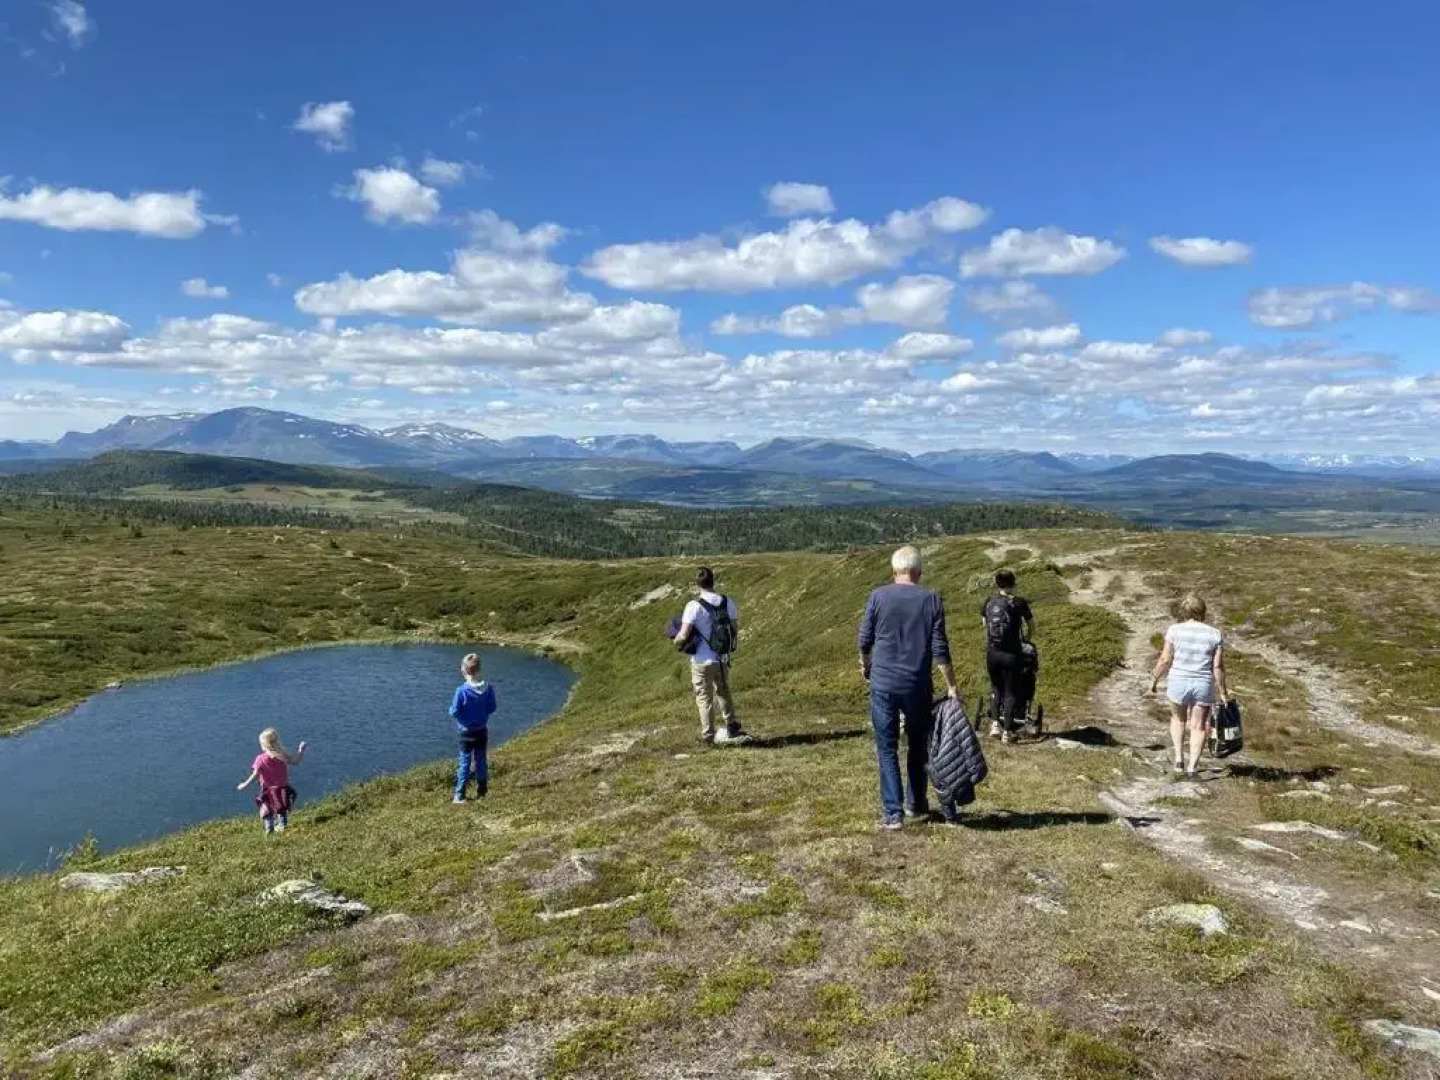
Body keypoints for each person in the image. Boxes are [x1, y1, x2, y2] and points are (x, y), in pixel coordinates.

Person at [858, 545, 960, 830]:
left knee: (887, 747)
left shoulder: (878, 596)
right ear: (919, 572)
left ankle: (893, 814)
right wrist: (951, 686)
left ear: (894, 571)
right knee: (918, 746)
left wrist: (865, 665)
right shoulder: (931, 599)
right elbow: (940, 648)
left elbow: (865, 639)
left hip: (883, 682)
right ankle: (916, 804)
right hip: (917, 685)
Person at [1150, 594, 1228, 778]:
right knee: (1199, 726)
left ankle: (1178, 761)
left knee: (1178, 719)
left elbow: (1165, 659)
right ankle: (1193, 768)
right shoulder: (1214, 633)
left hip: (1178, 681)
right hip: (1203, 683)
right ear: (1203, 611)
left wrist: (1154, 679)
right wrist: (1223, 692)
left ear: (1183, 612)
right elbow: (1217, 667)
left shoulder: (1174, 630)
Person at [674, 567, 746, 745]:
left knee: (704, 697)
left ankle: (708, 736)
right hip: (721, 657)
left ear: (697, 584)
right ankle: (732, 725)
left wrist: (676, 642)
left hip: (701, 660)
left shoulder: (693, 606)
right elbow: (735, 629)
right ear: (713, 581)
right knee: (723, 690)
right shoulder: (727, 602)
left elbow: (683, 635)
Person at [980, 570, 1035, 742]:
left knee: (996, 689)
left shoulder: (989, 602)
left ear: (997, 584)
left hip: (993, 653)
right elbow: (1032, 625)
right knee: (1011, 692)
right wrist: (1026, 640)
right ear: (1013, 583)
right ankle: (1007, 732)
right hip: (1012, 654)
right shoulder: (1019, 603)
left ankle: (995, 725)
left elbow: (985, 625)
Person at [237, 727, 305, 834]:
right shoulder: (282, 755)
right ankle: (282, 825)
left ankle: (269, 828)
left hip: (267, 789)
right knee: (281, 807)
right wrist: (301, 751)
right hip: (282, 788)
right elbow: (296, 761)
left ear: (264, 745)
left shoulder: (260, 759)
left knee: (266, 809)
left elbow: (255, 775)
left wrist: (244, 784)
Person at [450, 652, 497, 803]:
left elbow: (454, 711)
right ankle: (482, 792)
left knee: (465, 762)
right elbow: (492, 708)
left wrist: (464, 718)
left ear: (464, 671)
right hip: (481, 730)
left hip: (465, 732)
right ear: (479, 669)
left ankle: (460, 795)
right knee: (481, 760)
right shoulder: (488, 688)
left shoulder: (461, 691)